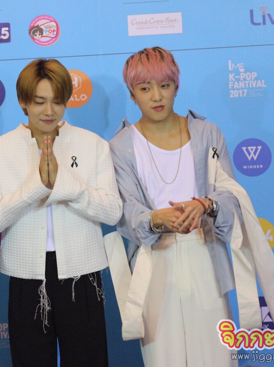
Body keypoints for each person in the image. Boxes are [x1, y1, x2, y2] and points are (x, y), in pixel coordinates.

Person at [0, 58, 123, 367]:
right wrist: (38, 186)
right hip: (26, 277)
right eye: (39, 101)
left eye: (57, 101)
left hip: (82, 275)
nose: (49, 111)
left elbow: (113, 211)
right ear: (23, 101)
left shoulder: (93, 145)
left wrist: (65, 185)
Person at [108, 46, 241, 366]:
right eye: (145, 88)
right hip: (153, 262)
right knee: (163, 358)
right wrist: (155, 219)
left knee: (217, 357)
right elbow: (124, 212)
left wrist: (207, 205)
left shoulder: (208, 134)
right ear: (132, 94)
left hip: (205, 253)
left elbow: (232, 198)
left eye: (164, 86)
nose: (156, 96)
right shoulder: (120, 146)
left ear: (177, 87)